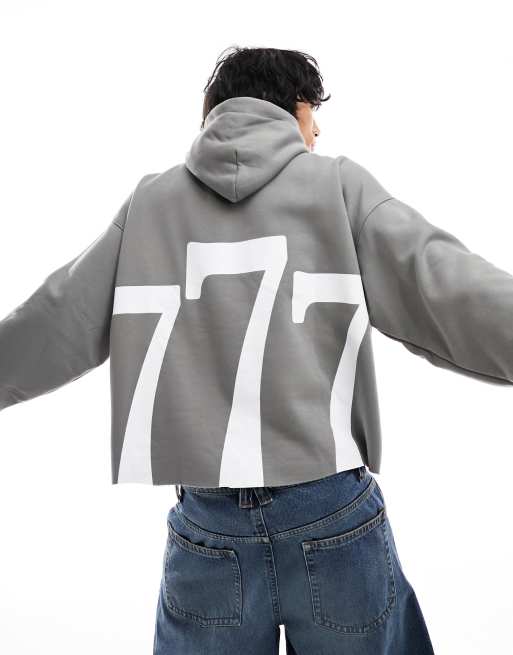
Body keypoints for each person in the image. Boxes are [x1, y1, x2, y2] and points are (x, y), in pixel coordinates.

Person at [2, 45, 513, 654]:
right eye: (314, 117)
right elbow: (446, 286)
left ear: (213, 112)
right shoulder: (337, 186)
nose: (317, 134)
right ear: (295, 108)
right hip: (331, 509)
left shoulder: (151, 203)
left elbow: (58, 317)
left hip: (209, 526)